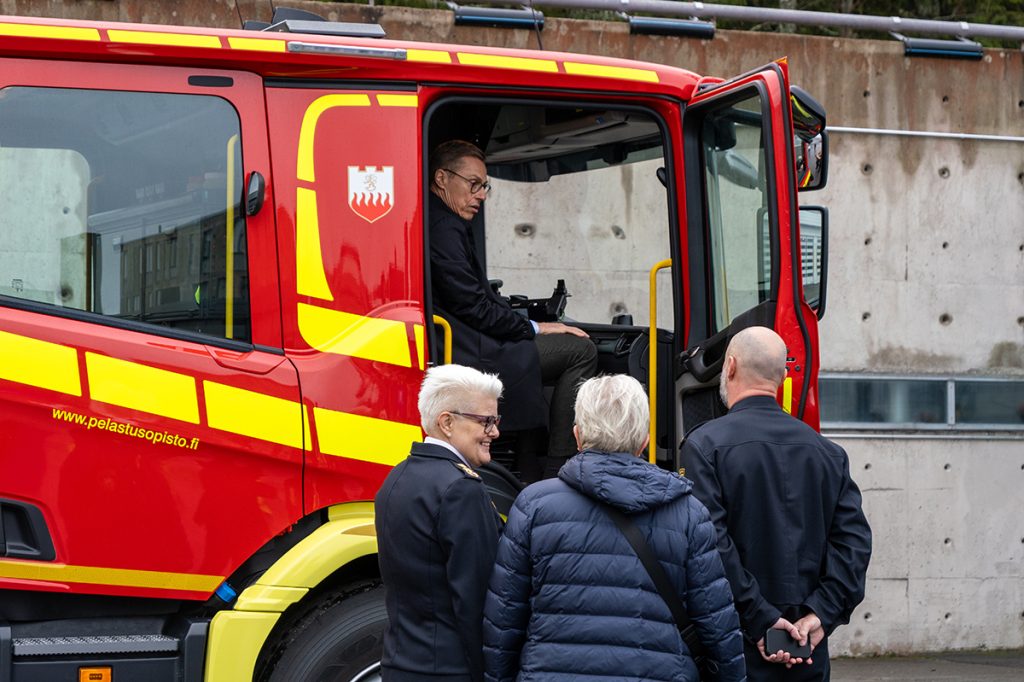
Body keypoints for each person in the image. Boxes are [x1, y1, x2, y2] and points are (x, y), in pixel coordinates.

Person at [482, 374, 746, 681]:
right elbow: (718, 626)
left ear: (578, 436)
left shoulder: (533, 505)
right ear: (644, 441)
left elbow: (504, 622)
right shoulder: (690, 513)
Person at [682, 326, 872, 681]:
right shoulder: (829, 454)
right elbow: (854, 546)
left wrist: (761, 619)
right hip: (807, 653)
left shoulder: (704, 447)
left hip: (735, 647)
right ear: (783, 376)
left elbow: (711, 544)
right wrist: (818, 616)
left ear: (731, 366)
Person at [428, 139, 597, 480]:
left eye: (484, 185)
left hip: (466, 336)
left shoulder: (440, 219)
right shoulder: (443, 227)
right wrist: (536, 327)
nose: (481, 194)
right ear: (442, 178)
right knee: (580, 351)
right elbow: (475, 306)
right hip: (471, 345)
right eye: (473, 184)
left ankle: (532, 458)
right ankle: (562, 468)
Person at [375, 364, 505, 681]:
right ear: (446, 422)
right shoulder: (461, 488)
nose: (495, 432)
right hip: (450, 670)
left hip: (400, 665)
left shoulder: (397, 476)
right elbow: (475, 599)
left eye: (496, 421)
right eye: (486, 421)